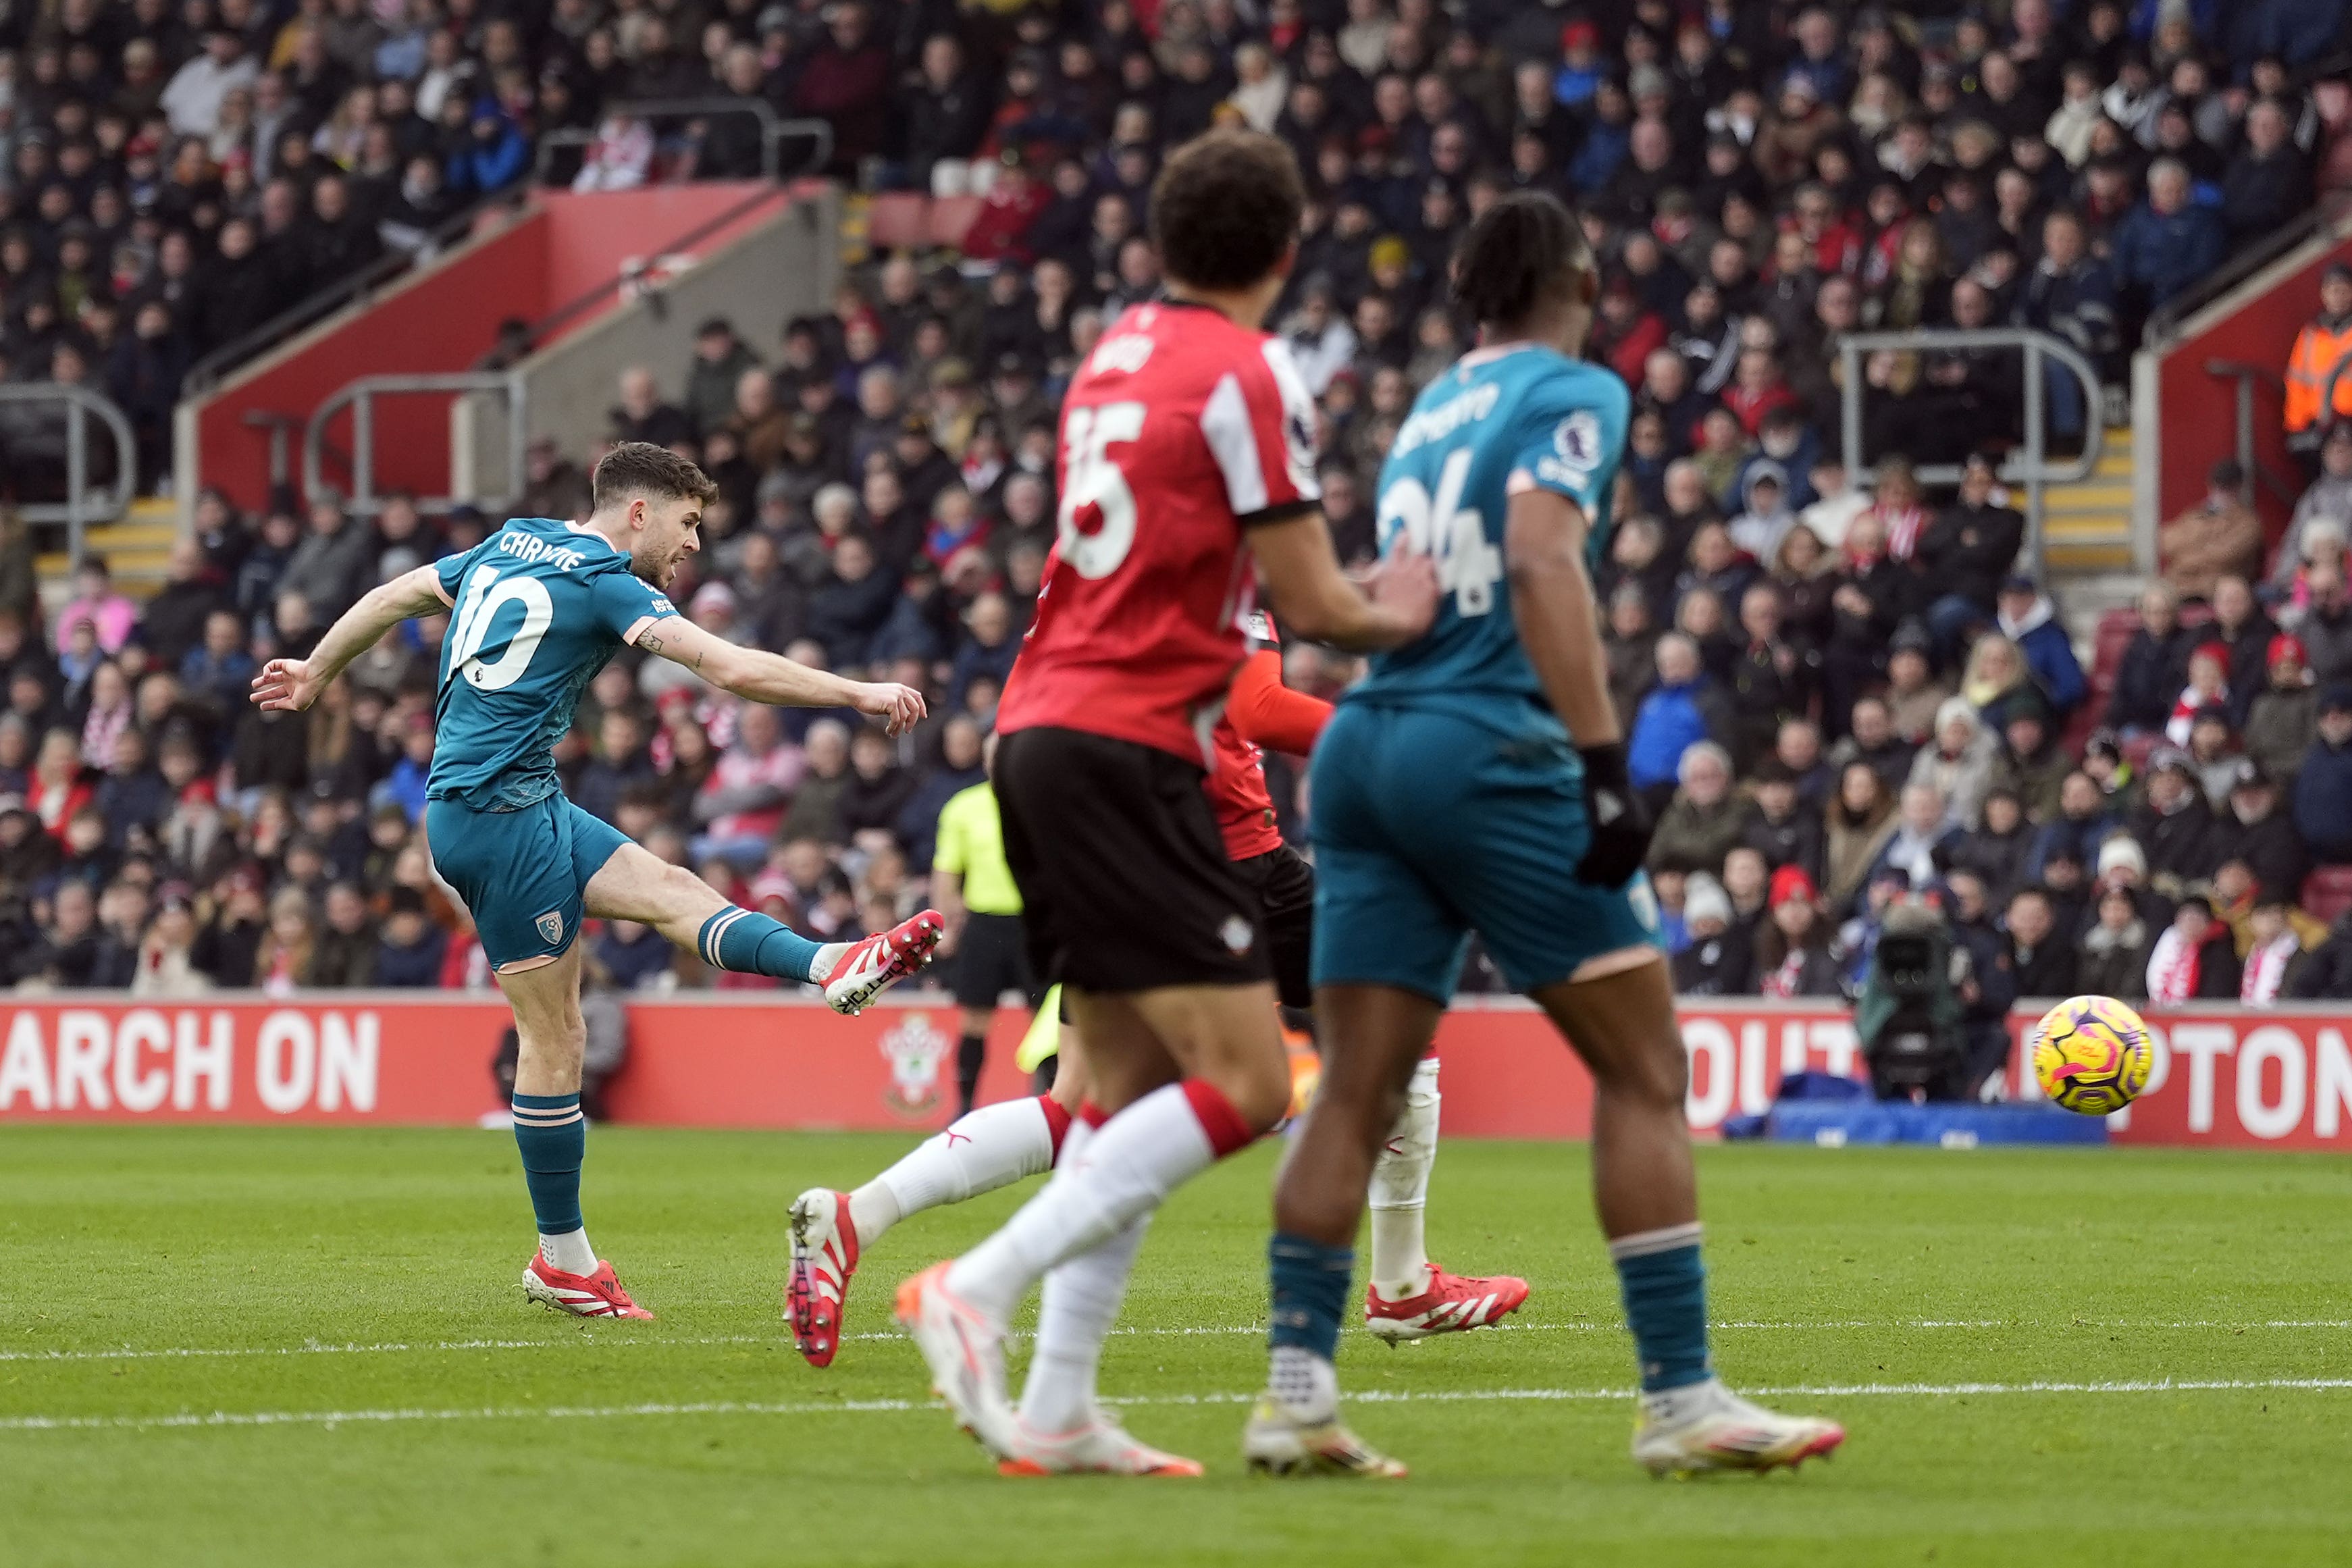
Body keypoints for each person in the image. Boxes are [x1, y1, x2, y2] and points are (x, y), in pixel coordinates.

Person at [1252, 188, 1840, 1482]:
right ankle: (1681, 1401)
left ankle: (1293, 1394)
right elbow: (1537, 557)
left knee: (1353, 1088)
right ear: (1573, 276)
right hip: (1485, 749)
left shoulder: (1429, 407)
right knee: (1641, 1071)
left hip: (1362, 746)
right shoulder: (1573, 388)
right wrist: (1599, 766)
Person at [891, 131, 1440, 1480]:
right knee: (1252, 1080)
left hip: (1041, 726)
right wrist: (1409, 621)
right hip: (1131, 745)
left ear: (1159, 243)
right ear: (1286, 249)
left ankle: (1065, 1404)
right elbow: (1311, 603)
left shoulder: (1116, 350)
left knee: (1124, 1088)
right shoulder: (1252, 370)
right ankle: (976, 1284)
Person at [250, 442, 947, 1321]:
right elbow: (727, 668)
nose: (693, 545)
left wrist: (316, 668)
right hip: (497, 821)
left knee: (673, 891)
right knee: (556, 1038)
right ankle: (563, 1259)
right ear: (639, 512)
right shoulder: (603, 577)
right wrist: (859, 692)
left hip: (517, 802)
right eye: (688, 524)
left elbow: (394, 596)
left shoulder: (511, 541)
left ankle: (830, 965)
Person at [2283, 263, 2352, 456]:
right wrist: (2296, 427)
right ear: (2323, 294)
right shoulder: (2311, 334)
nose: (2338, 296)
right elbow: (2296, 383)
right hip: (2320, 426)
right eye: (2333, 290)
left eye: (2344, 290)